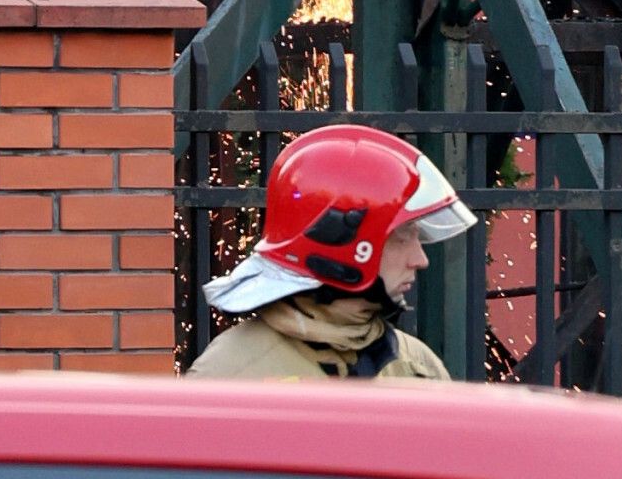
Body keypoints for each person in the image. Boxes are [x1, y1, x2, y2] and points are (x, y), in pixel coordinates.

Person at [188, 124, 477, 381]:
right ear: (342, 244)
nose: (421, 260)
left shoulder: (418, 369)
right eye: (402, 237)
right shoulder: (230, 377)